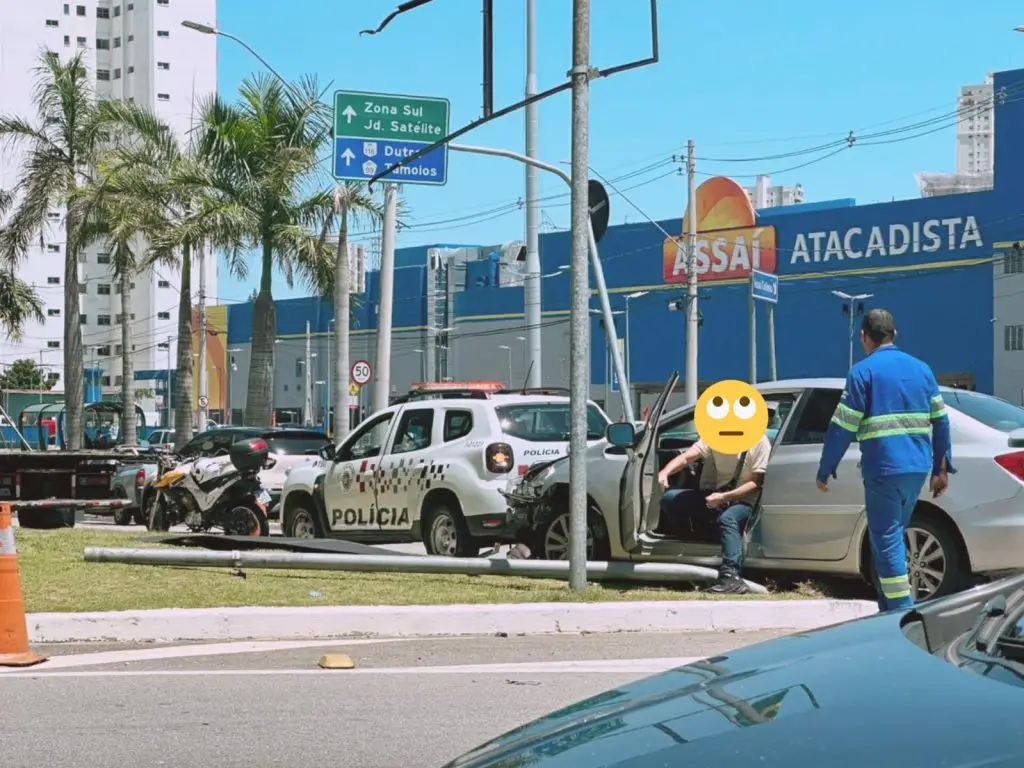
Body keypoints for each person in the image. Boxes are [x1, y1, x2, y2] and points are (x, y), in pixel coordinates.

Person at [816, 308, 954, 612]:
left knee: (886, 537)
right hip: (917, 469)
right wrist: (941, 467)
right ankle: (887, 603)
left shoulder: (862, 372)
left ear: (864, 337)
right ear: (895, 335)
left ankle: (901, 610)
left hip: (884, 469)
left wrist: (826, 468)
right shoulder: (922, 370)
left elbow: (842, 427)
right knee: (893, 534)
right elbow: (942, 422)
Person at [657, 433, 771, 594]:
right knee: (670, 500)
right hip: (718, 495)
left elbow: (756, 483)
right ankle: (698, 543)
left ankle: (731, 576)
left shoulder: (759, 440)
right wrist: (665, 472)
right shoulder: (716, 434)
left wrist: (724, 497)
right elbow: (686, 458)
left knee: (728, 519)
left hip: (746, 500)